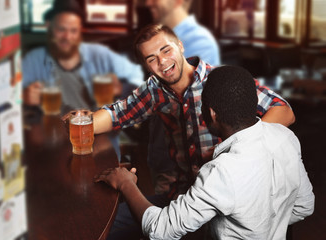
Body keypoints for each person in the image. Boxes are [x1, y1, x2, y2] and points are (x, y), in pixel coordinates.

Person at [87, 24, 295, 239]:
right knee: (102, 224)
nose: (163, 62)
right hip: (181, 199)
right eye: (151, 59)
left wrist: (237, 152)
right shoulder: (154, 89)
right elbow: (117, 114)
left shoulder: (219, 82)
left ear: (180, 46)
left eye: (166, 50)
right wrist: (82, 122)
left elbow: (284, 110)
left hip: (227, 203)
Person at [144, 0, 221, 195]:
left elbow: (197, 110)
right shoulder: (160, 38)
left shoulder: (199, 41)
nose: (148, 2)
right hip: (162, 157)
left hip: (182, 170)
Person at [22, 0, 144, 113]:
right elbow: (10, 94)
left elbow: (140, 76)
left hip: (97, 129)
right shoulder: (34, 59)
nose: (67, 37)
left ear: (80, 30)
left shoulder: (100, 54)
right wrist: (23, 96)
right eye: (61, 29)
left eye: (73, 30)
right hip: (53, 129)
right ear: (49, 26)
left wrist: (122, 88)